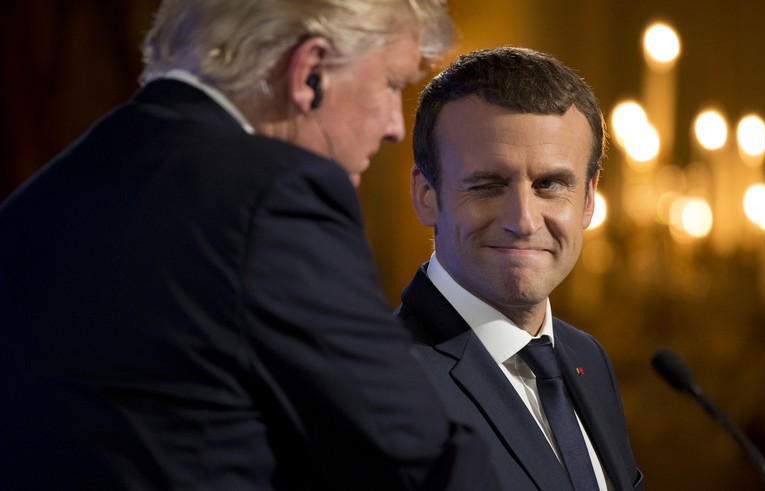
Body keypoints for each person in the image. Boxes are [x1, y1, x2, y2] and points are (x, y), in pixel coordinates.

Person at [0, 1, 500, 489]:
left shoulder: (37, 200)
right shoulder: (270, 196)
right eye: (392, 84)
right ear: (310, 73)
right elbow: (419, 461)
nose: (395, 125)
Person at [396, 47, 644, 490]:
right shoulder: (383, 382)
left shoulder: (588, 358)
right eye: (488, 185)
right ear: (426, 195)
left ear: (588, 200)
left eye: (550, 185)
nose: (524, 221)